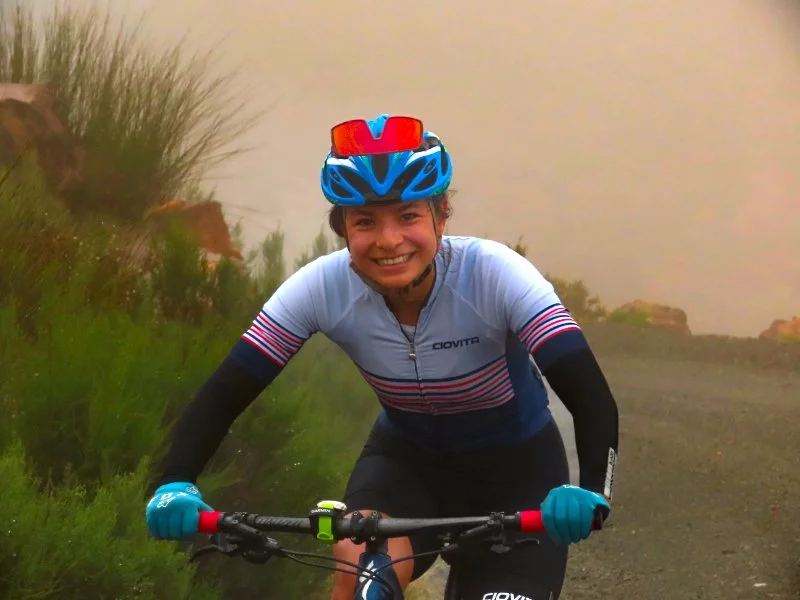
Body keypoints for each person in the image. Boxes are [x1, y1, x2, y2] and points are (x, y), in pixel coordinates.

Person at [145, 113, 619, 600]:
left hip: (517, 473)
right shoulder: (321, 287)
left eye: (408, 216)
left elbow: (590, 396)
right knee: (360, 575)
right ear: (343, 228)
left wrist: (591, 493)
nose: (389, 240)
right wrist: (174, 483)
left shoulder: (495, 273)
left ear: (441, 216)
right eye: (365, 221)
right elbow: (223, 395)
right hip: (406, 468)